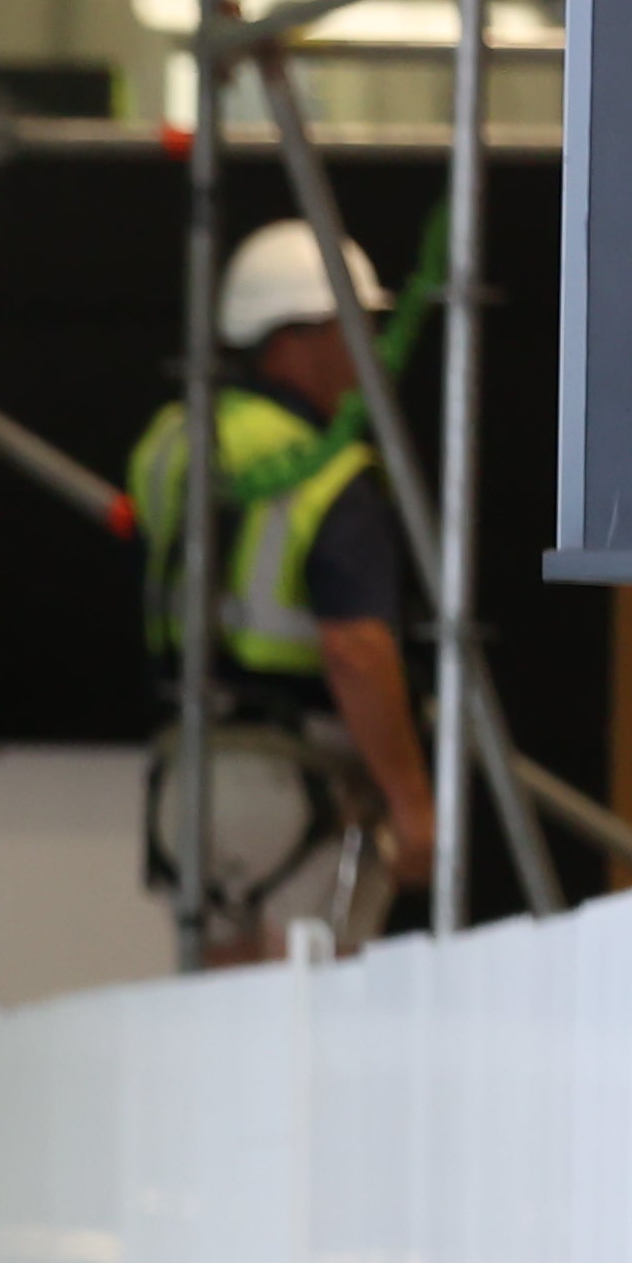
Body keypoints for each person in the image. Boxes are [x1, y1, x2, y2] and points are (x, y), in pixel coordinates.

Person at [129, 220, 438, 961]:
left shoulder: (173, 442)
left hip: (188, 775)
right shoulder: (326, 468)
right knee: (310, 1035)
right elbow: (356, 648)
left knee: (222, 1022)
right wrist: (412, 804)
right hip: (297, 783)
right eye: (353, 326)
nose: (370, 347)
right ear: (295, 337)